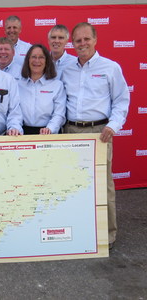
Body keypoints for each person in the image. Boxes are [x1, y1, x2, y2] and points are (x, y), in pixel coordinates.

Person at [61, 22, 130, 250]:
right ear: (72, 43)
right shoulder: (67, 68)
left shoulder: (110, 67)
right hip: (70, 131)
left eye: (86, 39)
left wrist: (114, 125)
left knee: (103, 185)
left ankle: (107, 235)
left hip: (99, 133)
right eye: (78, 40)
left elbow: (121, 100)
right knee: (72, 186)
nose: (82, 44)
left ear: (95, 39)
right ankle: (77, 231)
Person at [18, 44, 66, 135]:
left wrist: (50, 129)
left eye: (41, 57)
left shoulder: (57, 85)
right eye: (33, 57)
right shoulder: (18, 85)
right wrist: (15, 128)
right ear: (28, 60)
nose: (37, 61)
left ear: (47, 61)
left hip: (48, 133)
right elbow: (14, 112)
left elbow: (59, 114)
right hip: (22, 134)